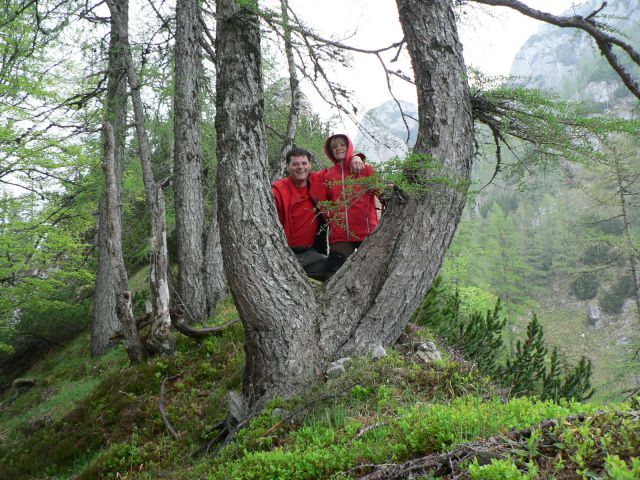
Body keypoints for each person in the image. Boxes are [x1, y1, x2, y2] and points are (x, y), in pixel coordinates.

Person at [272, 147, 364, 281]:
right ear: (288, 167)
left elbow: (341, 169)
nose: (300, 167)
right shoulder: (278, 189)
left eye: (304, 163)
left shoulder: (317, 180)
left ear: (310, 165)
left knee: (338, 271)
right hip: (283, 254)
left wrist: (356, 156)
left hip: (309, 254)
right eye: (295, 164)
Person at [322, 134, 379, 274]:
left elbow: (382, 192)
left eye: (342, 145)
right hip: (341, 235)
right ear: (330, 152)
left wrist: (357, 157)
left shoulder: (366, 169)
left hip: (366, 234)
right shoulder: (328, 176)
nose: (338, 148)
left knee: (369, 274)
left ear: (349, 147)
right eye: (334, 147)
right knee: (333, 273)